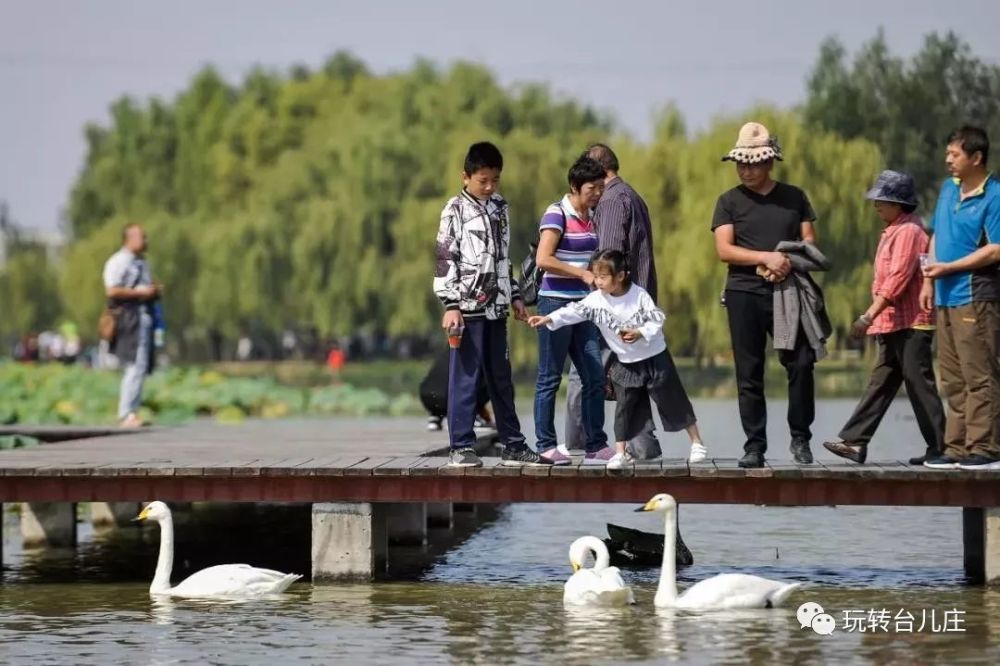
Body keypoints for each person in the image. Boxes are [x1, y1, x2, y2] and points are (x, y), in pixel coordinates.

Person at [529, 250, 707, 468]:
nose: (598, 282)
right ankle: (620, 453)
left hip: (654, 356)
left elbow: (657, 318)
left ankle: (697, 443)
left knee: (672, 400)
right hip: (626, 361)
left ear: (620, 276)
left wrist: (640, 332)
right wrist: (549, 318)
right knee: (625, 406)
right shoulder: (596, 300)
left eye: (603, 277)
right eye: (595, 276)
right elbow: (574, 311)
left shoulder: (638, 295)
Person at [433, 142, 549, 468]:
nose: (489, 186)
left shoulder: (500, 207)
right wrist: (450, 303)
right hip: (466, 309)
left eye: (495, 180)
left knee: (501, 378)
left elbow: (503, 257)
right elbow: (445, 258)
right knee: (466, 378)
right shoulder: (454, 210)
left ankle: (513, 444)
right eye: (483, 180)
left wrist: (513, 294)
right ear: (466, 176)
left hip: (496, 307)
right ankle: (461, 447)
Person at [711, 122, 819, 468]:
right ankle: (754, 446)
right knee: (749, 371)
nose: (745, 169)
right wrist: (764, 257)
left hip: (788, 291)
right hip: (744, 293)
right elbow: (725, 250)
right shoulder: (728, 202)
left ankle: (800, 438)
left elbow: (810, 243)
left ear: (769, 162)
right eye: (741, 163)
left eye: (753, 163)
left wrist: (785, 261)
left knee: (801, 362)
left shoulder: (795, 197)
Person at [822, 170, 945, 465]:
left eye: (882, 200)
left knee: (919, 384)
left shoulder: (909, 232)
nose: (876, 205)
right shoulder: (894, 229)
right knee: (881, 382)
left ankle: (942, 447)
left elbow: (898, 279)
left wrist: (866, 317)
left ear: (898, 203)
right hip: (894, 322)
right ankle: (855, 442)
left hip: (912, 322)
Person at [564, 144, 661, 461]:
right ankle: (644, 445)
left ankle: (578, 445)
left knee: (585, 367)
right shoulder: (631, 195)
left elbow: (607, 258)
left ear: (598, 170)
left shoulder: (610, 200)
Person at [922, 126, 1000, 470]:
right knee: (952, 377)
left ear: (976, 158)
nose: (948, 160)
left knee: (979, 374)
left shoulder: (995, 195)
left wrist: (950, 267)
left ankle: (985, 447)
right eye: (948, 154)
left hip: (975, 295)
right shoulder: (947, 188)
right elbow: (937, 233)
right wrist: (927, 280)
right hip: (943, 293)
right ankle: (956, 447)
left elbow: (996, 249)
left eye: (955, 154)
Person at [531, 155, 611, 465]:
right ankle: (546, 444)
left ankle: (595, 444)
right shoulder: (556, 213)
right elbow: (544, 259)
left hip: (584, 307)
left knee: (593, 375)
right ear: (575, 187)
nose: (598, 193)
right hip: (554, 303)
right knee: (550, 377)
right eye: (593, 187)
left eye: (601, 187)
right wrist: (581, 274)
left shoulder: (590, 216)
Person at [103, 223, 160, 428]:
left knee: (141, 365)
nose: (146, 241)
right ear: (130, 239)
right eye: (142, 237)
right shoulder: (119, 261)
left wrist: (152, 292)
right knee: (135, 364)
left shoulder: (141, 263)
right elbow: (112, 291)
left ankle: (132, 411)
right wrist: (141, 293)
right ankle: (126, 413)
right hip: (129, 318)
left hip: (143, 316)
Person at [419, 346, 493, 432]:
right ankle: (470, 418)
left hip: (428, 397)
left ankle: (435, 418)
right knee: (491, 379)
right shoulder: (477, 350)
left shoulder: (451, 347)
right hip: (451, 398)